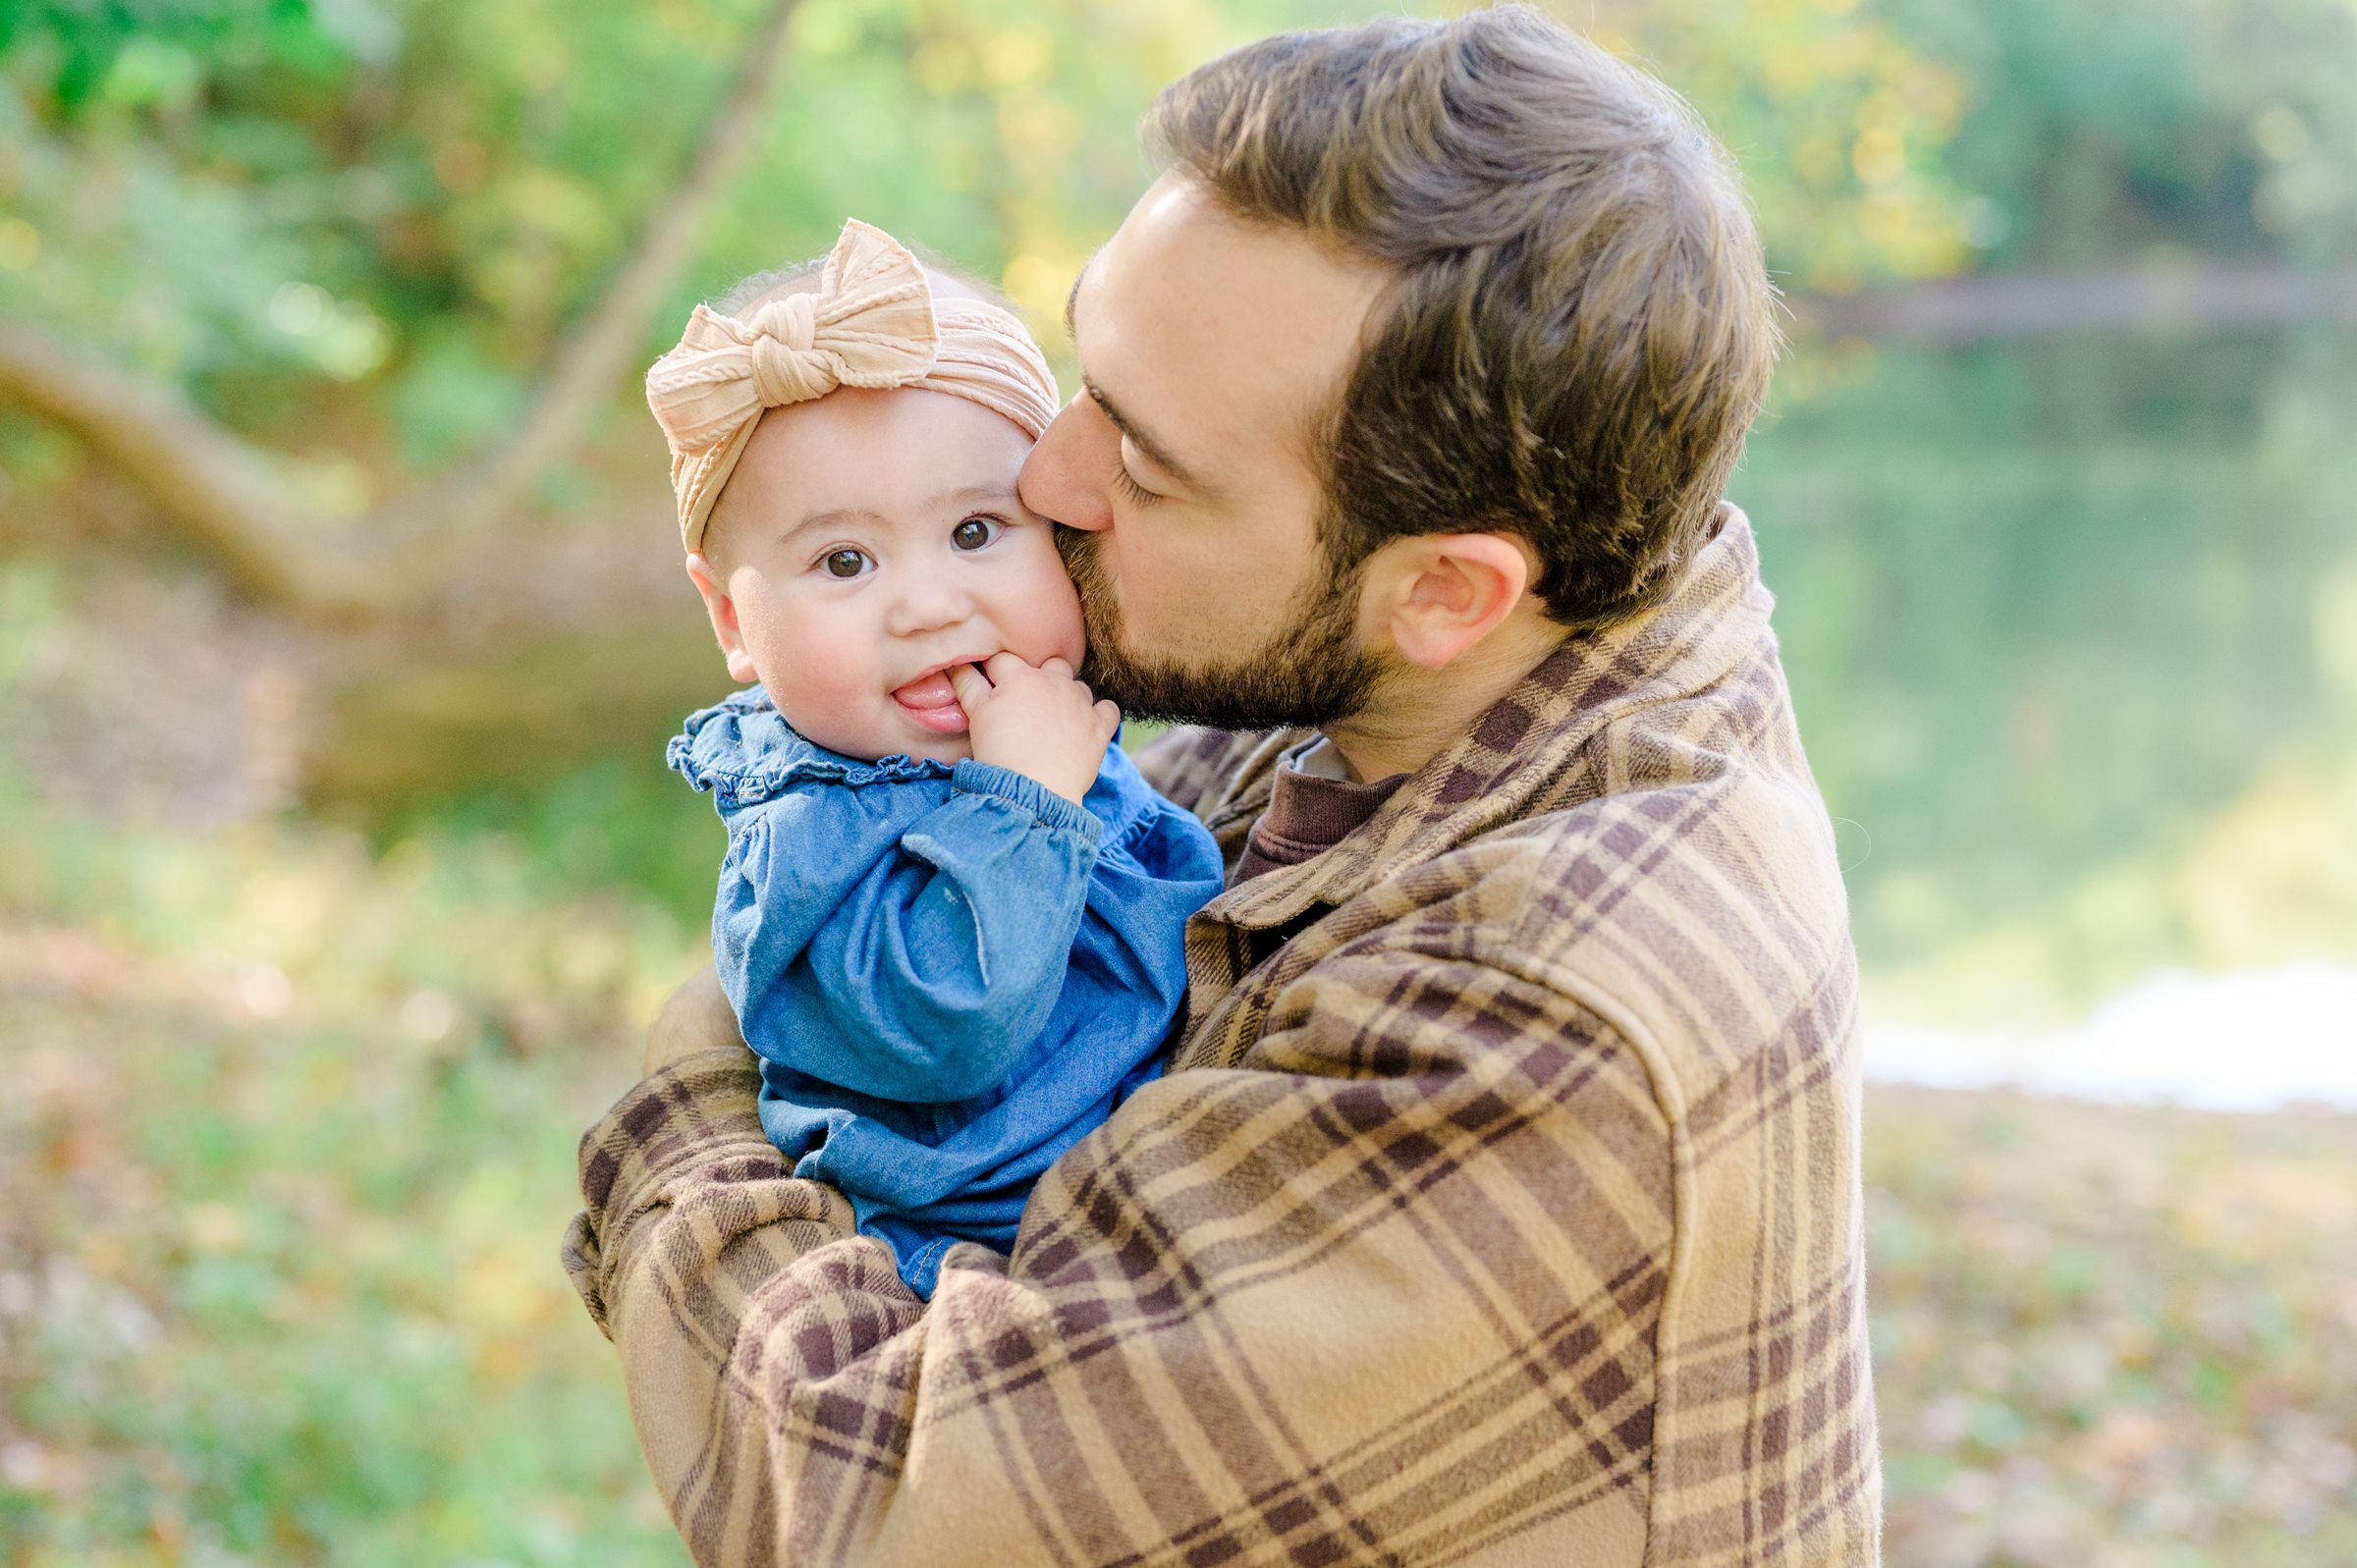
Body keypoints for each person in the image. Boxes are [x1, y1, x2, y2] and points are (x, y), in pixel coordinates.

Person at [565, 8, 1883, 1564]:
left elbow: (868, 1503)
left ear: (1448, 588)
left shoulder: (1537, 1018)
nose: (1048, 482)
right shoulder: (1415, 664)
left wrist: (690, 1099)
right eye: (1086, 374)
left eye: (1144, 461)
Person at [646, 217, 1224, 1299]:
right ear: (732, 618)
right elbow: (949, 1025)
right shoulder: (811, 824)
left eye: (975, 532)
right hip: (964, 1261)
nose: (927, 605)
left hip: (1143, 1183)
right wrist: (1026, 805)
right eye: (845, 559)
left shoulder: (1034, 718)